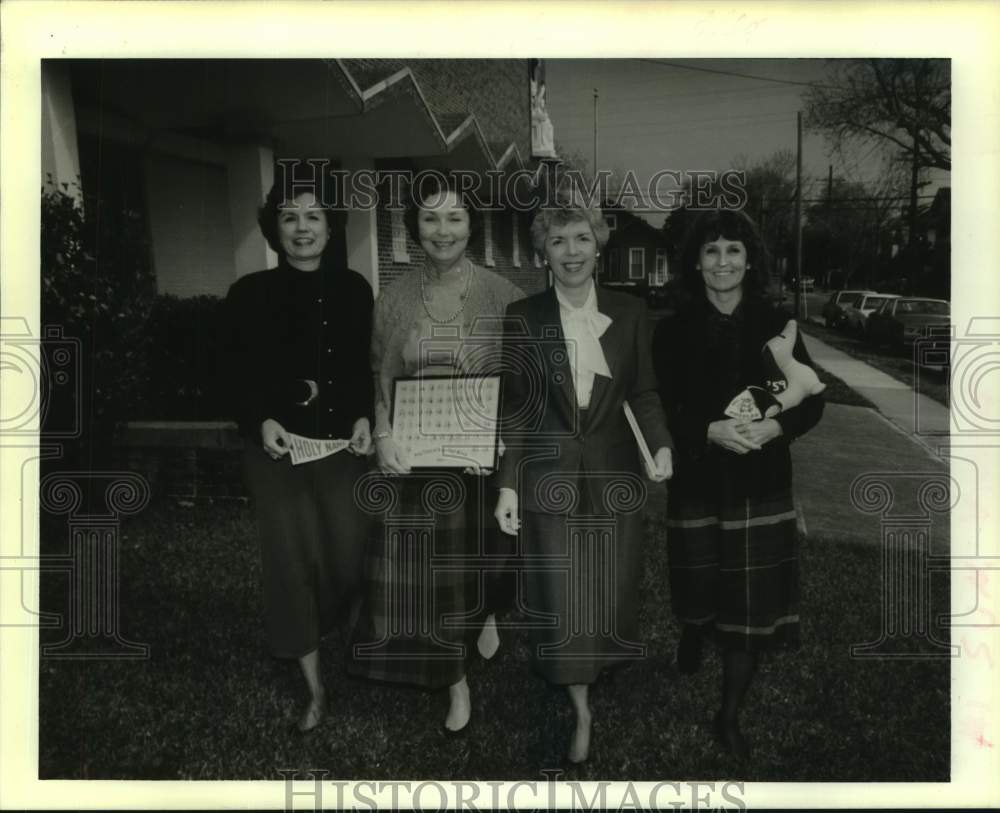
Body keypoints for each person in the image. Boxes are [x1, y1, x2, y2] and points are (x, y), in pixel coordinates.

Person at [494, 195, 673, 765]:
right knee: (564, 594)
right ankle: (580, 709)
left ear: (599, 246)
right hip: (549, 478)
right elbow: (518, 410)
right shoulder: (523, 317)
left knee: (608, 587)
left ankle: (599, 664)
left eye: (581, 239)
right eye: (557, 241)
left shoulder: (632, 311)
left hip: (615, 476)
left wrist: (661, 443)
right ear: (543, 253)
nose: (571, 252)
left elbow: (643, 391)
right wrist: (507, 486)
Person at [347, 173, 524, 733]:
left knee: (488, 564)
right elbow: (381, 378)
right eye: (430, 218)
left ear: (473, 225)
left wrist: (499, 440)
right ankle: (455, 681)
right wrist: (383, 436)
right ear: (413, 228)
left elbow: (521, 387)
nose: (442, 230)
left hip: (481, 459)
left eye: (455, 217)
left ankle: (487, 612)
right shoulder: (394, 298)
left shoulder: (505, 296)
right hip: (417, 465)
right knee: (429, 577)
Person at [652, 209, 824, 760]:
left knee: (748, 606)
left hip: (759, 482)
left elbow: (813, 397)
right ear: (695, 263)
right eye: (710, 251)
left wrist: (776, 425)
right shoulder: (673, 329)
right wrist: (707, 429)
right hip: (698, 481)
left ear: (750, 260)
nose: (722, 262)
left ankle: (727, 715)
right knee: (699, 587)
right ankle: (694, 628)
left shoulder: (777, 324)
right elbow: (660, 406)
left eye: (732, 251)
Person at [219, 174, 374, 733]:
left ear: (331, 227)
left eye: (314, 216)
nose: (302, 227)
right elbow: (228, 375)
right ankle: (314, 687)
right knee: (290, 563)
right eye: (289, 216)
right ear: (273, 228)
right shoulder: (248, 294)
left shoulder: (355, 289)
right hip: (276, 453)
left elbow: (362, 367)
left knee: (349, 556)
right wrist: (260, 418)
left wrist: (363, 416)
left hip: (340, 449)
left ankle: (348, 632)